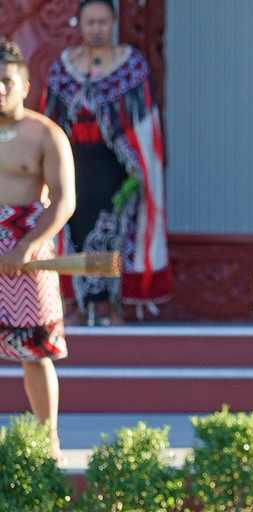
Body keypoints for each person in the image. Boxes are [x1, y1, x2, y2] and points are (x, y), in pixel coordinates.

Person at [41, 0, 170, 326]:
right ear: (79, 25)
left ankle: (111, 306)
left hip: (116, 168)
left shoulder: (131, 66)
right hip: (74, 166)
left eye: (102, 21)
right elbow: (50, 120)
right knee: (74, 231)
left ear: (112, 23)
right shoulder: (63, 67)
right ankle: (77, 305)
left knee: (113, 234)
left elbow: (144, 122)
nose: (96, 28)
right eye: (90, 22)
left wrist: (137, 169)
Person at [0, 40, 76, 460]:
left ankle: (48, 442)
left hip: (29, 251)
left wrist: (25, 247)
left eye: (6, 81)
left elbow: (64, 201)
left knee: (35, 351)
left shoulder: (46, 133)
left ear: (25, 85)